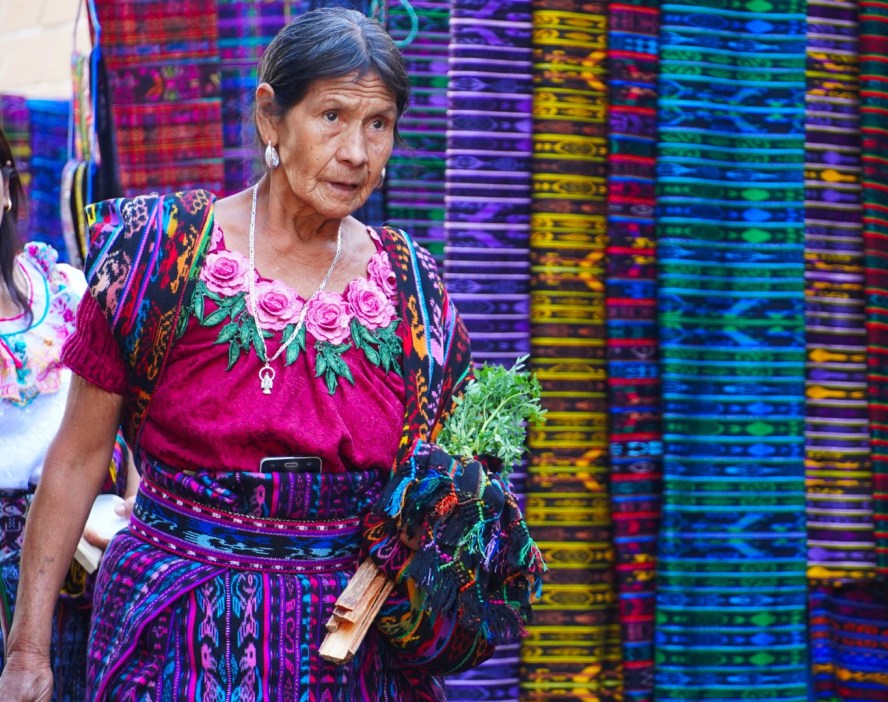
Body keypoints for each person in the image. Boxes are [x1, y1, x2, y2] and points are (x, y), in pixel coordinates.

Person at [0, 8, 541, 701]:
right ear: (269, 117)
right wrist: (27, 651)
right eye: (332, 117)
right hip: (174, 638)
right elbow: (75, 459)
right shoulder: (160, 252)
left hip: (353, 651)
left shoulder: (412, 284)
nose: (357, 151)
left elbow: (450, 470)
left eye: (378, 125)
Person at [0, 126, 132, 701]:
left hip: (86, 544)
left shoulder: (66, 286)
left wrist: (134, 498)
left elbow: (126, 400)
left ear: (5, 190)